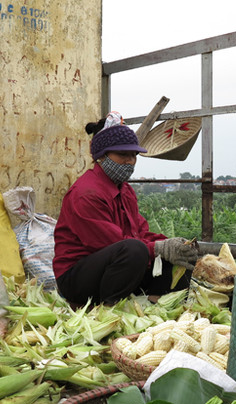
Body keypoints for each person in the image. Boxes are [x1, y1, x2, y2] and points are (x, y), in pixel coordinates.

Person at [53, 113, 200, 306]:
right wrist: (156, 248)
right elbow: (110, 244)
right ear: (102, 156)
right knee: (135, 250)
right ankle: (108, 309)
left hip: (117, 268)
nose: (130, 161)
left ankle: (161, 306)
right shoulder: (85, 194)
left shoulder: (126, 191)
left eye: (133, 155)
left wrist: (169, 244)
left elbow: (140, 233)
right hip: (77, 278)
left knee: (180, 253)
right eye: (122, 154)